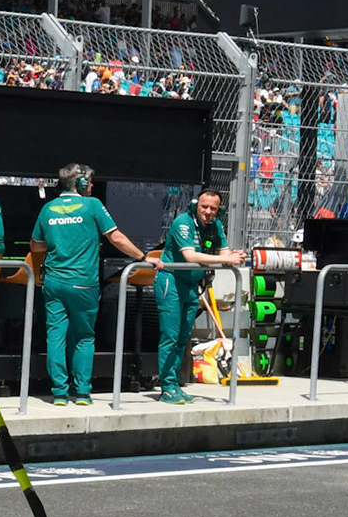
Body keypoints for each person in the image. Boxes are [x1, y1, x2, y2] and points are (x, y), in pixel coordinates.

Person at [30, 163, 146, 405]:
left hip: (53, 282)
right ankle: (82, 392)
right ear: (81, 183)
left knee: (55, 336)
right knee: (84, 337)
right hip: (83, 283)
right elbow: (116, 238)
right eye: (91, 182)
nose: (92, 186)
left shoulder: (47, 209)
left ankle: (59, 393)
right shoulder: (93, 205)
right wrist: (143, 258)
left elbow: (36, 246)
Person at [155, 186, 244, 404]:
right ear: (196, 206)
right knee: (170, 336)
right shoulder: (182, 223)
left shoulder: (216, 226)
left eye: (213, 208)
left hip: (192, 284)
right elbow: (190, 255)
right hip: (171, 282)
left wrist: (233, 255)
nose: (208, 212)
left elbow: (224, 252)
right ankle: (167, 386)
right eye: (204, 207)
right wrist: (226, 260)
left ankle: (175, 384)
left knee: (183, 338)